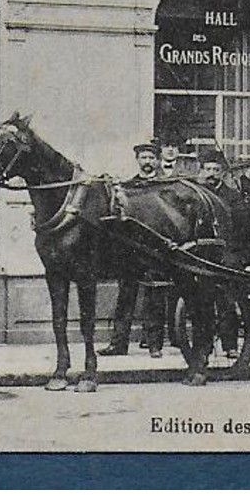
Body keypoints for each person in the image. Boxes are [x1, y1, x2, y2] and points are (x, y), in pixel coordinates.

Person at [101, 140, 167, 358]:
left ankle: (154, 344)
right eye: (144, 157)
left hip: (156, 249)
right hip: (131, 250)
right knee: (125, 298)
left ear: (157, 161)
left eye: (151, 158)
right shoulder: (127, 187)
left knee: (155, 298)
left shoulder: (166, 187)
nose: (147, 162)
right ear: (137, 160)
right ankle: (118, 344)